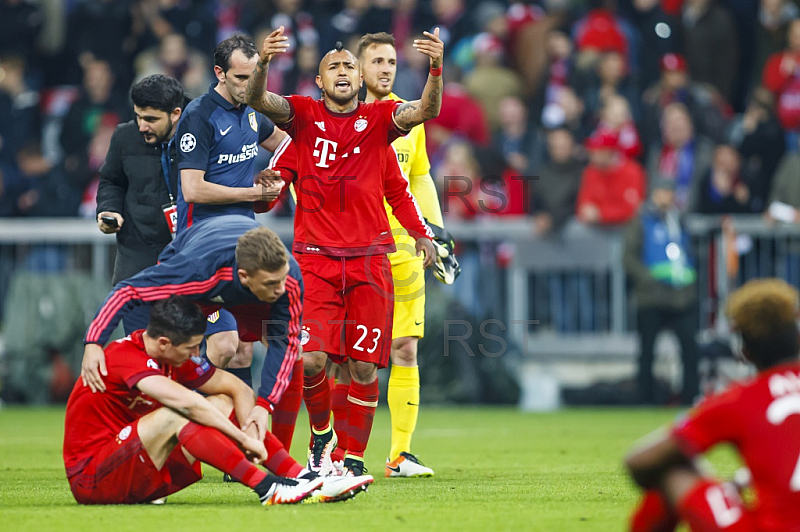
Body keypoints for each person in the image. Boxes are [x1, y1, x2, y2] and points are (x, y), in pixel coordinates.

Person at [245, 26, 442, 477]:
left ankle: (352, 461)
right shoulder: (303, 117)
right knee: (312, 358)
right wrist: (264, 63)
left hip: (372, 260)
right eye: (332, 66)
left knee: (364, 368)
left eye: (348, 66)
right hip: (314, 259)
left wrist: (423, 234)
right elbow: (260, 102)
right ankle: (321, 435)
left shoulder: (379, 125)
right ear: (318, 80)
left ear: (359, 80)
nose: (341, 71)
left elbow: (426, 115)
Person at [65, 296, 370, 506]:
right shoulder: (124, 357)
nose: (195, 354)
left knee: (223, 401)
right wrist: (241, 439)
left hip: (138, 467)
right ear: (163, 343)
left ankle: (300, 478)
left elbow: (236, 389)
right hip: (93, 478)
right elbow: (187, 404)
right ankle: (266, 488)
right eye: (191, 348)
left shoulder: (170, 352)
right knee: (178, 414)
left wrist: (253, 433)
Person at [80, 216, 305, 458]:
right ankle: (153, 448)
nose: (282, 288)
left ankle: (278, 456)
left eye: (282, 279)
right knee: (172, 350)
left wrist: (265, 405)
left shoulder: (287, 279)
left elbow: (286, 343)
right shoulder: (192, 271)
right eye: (273, 283)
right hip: (199, 285)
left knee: (293, 353)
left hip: (246, 291)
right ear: (244, 276)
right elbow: (127, 291)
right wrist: (93, 342)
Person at [357, 31, 459, 478]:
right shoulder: (340, 118)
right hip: (354, 253)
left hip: (402, 252)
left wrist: (434, 234)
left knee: (404, 350)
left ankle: (400, 453)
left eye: (391, 62)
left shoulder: (407, 117)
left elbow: (419, 179)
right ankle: (338, 455)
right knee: (350, 358)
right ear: (357, 69)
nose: (384, 68)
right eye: (376, 61)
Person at [625, 278, 800, 531]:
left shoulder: (739, 399)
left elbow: (639, 462)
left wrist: (720, 484)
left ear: (744, 353)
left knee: (672, 470)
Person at [175, 33, 286, 392]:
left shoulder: (253, 114)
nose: (248, 86)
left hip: (242, 246)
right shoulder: (199, 115)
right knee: (223, 346)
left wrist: (277, 173)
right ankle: (184, 413)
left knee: (244, 349)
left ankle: (234, 433)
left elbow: (287, 142)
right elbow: (192, 189)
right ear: (219, 73)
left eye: (254, 77)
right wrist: (252, 191)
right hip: (201, 247)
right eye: (240, 78)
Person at [96, 74, 186, 335]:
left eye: (151, 119)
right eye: (138, 116)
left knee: (190, 355)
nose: (142, 126)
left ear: (176, 114)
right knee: (142, 353)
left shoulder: (200, 134)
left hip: (187, 265)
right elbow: (111, 180)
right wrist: (108, 209)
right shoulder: (124, 137)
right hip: (136, 265)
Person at [623, 178, 698, 405]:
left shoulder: (680, 221)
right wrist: (648, 279)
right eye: (663, 192)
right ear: (654, 194)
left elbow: (689, 254)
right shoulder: (641, 221)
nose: (667, 197)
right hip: (652, 297)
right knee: (647, 352)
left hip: (680, 298)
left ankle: (690, 397)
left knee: (690, 351)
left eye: (670, 192)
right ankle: (644, 399)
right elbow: (629, 257)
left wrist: (689, 283)